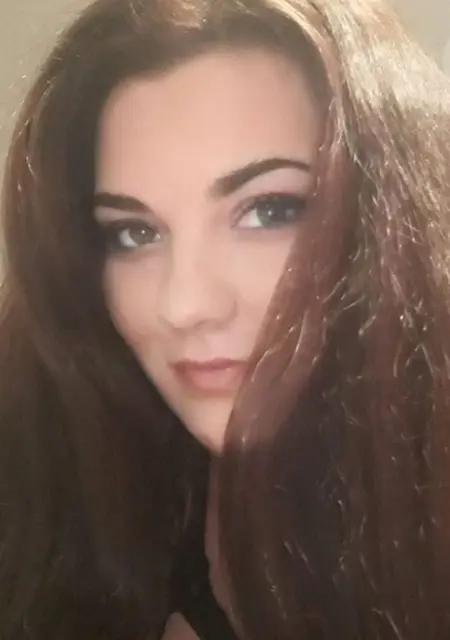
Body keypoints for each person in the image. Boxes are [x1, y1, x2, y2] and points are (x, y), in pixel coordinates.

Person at [1, 0, 450, 637]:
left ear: (391, 220)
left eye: (269, 211)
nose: (183, 305)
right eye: (133, 233)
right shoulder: (44, 470)